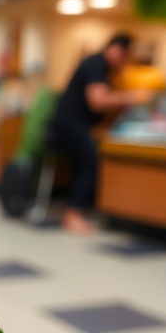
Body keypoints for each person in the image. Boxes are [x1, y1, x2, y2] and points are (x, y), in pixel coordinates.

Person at [51, 33, 148, 234]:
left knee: (83, 165)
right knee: (90, 164)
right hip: (71, 124)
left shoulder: (100, 65)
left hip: (71, 124)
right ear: (120, 51)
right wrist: (131, 98)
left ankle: (77, 211)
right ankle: (73, 215)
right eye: (126, 57)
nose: (125, 63)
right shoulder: (97, 64)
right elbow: (98, 101)